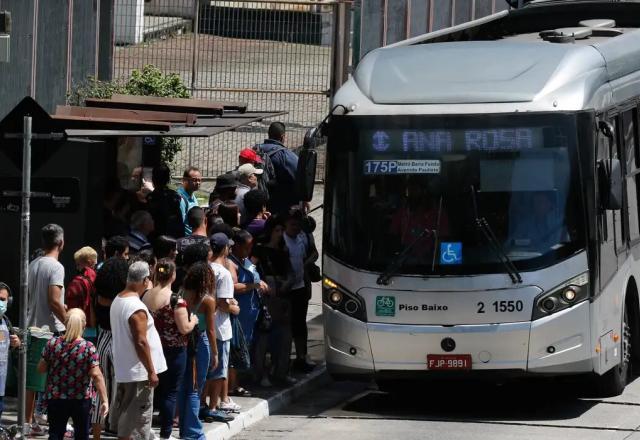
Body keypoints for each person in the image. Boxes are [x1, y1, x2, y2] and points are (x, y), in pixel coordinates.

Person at [110, 261, 167, 440]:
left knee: (128, 417)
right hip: (138, 373)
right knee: (136, 422)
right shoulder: (136, 307)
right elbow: (141, 342)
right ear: (144, 280)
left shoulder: (118, 299)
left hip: (128, 369)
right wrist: (151, 370)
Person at [143, 259, 198, 440]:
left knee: (150, 391)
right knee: (170, 393)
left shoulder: (145, 296)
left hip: (150, 349)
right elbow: (184, 329)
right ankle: (166, 434)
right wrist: (194, 321)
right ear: (173, 275)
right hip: (174, 351)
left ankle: (145, 430)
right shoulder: (176, 300)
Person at [37, 309, 109, 440]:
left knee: (55, 434)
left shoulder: (52, 344)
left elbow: (41, 369)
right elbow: (96, 375)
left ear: (65, 323)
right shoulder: (88, 347)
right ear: (84, 324)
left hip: (56, 397)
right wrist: (104, 400)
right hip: (81, 399)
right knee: (82, 435)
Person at [25, 223, 67, 435]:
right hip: (49, 329)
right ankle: (46, 422)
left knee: (33, 380)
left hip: (32, 327)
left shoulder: (33, 264)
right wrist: (70, 321)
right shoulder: (56, 267)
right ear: (61, 242)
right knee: (53, 380)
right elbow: (53, 301)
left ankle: (29, 421)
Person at [178, 262, 224, 434]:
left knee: (184, 386)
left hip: (184, 341)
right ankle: (194, 431)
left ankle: (184, 426)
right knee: (196, 388)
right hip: (200, 341)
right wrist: (215, 352)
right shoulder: (208, 300)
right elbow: (211, 330)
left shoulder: (181, 294)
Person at [252, 216, 296, 387]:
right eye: (277, 231)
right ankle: (261, 373)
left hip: (283, 296)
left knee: (285, 337)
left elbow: (291, 272)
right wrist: (262, 284)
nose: (280, 234)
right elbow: (251, 269)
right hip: (267, 298)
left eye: (282, 231)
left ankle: (282, 371)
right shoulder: (261, 250)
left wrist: (288, 283)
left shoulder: (284, 252)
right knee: (264, 337)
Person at [227, 229, 269, 400]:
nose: (249, 250)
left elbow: (255, 278)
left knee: (246, 346)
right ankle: (232, 385)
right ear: (237, 245)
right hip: (240, 313)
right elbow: (233, 286)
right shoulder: (231, 263)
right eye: (246, 247)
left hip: (252, 313)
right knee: (235, 348)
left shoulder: (246, 260)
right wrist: (254, 286)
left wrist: (261, 283)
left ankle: (238, 381)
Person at [91, 257, 129, 440]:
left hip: (102, 339)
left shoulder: (98, 296)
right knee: (121, 387)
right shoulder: (121, 298)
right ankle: (116, 426)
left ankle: (98, 429)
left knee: (100, 388)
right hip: (119, 340)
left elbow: (92, 320)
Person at [202, 234, 238, 422]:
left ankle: (202, 404)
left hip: (204, 325)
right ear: (224, 249)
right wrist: (235, 308)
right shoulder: (223, 273)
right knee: (218, 371)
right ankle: (213, 406)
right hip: (220, 327)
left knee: (205, 369)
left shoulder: (204, 268)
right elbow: (223, 304)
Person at [283, 209, 318, 373]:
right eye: (293, 225)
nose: (296, 228)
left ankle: (301, 357)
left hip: (301, 287)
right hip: (286, 290)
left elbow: (312, 254)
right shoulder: (282, 241)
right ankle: (283, 360)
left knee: (300, 324)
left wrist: (305, 270)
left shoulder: (301, 238)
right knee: (287, 325)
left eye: (298, 225)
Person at [256, 122, 300, 215]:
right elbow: (300, 177)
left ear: (269, 134)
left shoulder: (255, 150)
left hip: (256, 204)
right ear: (282, 137)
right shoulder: (286, 155)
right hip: (278, 207)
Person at [147, 163, 185, 239]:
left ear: (153, 179)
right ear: (168, 179)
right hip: (172, 238)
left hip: (156, 239)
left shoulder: (150, 198)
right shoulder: (176, 197)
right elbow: (181, 219)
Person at [0, 283, 20, 422]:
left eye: (3, 300)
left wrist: (15, 343)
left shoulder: (5, 321)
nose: (1, 303)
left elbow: (11, 343)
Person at [66, 247, 98, 330]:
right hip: (98, 327)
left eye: (78, 264)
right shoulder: (99, 277)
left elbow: (72, 309)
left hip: (82, 327)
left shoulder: (77, 282)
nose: (77, 268)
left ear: (88, 262)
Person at [178, 167, 202, 236]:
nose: (198, 183)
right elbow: (181, 223)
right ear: (185, 180)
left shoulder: (193, 196)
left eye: (200, 180)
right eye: (194, 180)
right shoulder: (181, 199)